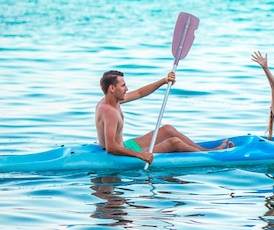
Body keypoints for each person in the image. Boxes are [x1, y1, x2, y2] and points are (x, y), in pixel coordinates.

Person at [95, 70, 233, 165]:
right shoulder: (109, 111)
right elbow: (111, 147)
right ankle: (211, 156)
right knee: (174, 142)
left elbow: (140, 92)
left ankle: (206, 151)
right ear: (112, 88)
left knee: (167, 129)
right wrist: (140, 155)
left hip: (125, 145)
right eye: (123, 85)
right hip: (121, 154)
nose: (127, 88)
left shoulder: (113, 100)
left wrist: (164, 81)